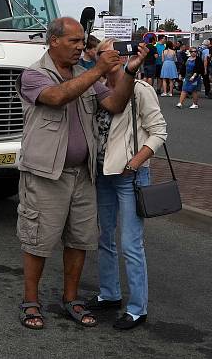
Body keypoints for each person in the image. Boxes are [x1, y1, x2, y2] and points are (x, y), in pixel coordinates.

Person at [16, 17, 146, 330]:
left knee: (79, 240)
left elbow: (115, 103)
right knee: (38, 240)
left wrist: (128, 71)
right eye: (74, 41)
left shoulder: (84, 75)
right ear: (53, 41)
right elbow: (58, 97)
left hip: (83, 174)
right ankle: (30, 301)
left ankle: (71, 299)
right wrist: (99, 69)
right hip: (46, 173)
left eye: (82, 41)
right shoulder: (33, 74)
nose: (79, 47)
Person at [89, 39, 167, 330]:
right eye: (99, 52)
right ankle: (110, 294)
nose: (103, 56)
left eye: (110, 51)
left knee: (130, 244)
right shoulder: (97, 87)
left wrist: (136, 162)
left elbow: (159, 133)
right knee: (104, 238)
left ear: (121, 57)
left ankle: (137, 309)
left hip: (130, 177)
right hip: (102, 175)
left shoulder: (140, 89)